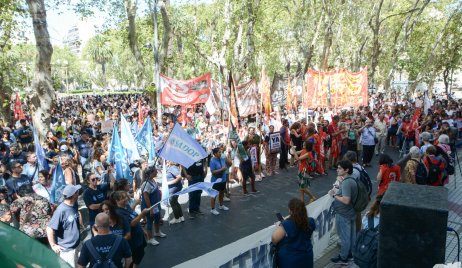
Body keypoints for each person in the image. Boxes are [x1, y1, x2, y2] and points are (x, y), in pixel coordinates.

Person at [271, 198, 316, 268]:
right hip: (307, 257)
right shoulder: (310, 221)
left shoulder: (286, 225)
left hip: (291, 260)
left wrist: (279, 226)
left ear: (290, 211)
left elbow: (274, 239)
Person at [329, 160, 357, 264]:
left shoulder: (346, 182)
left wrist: (334, 195)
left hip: (344, 213)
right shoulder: (352, 178)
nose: (337, 170)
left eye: (340, 168)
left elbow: (346, 200)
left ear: (346, 170)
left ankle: (343, 257)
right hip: (351, 212)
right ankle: (351, 253)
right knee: (351, 235)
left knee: (344, 236)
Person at [112, 191, 149, 268]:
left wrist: (142, 230)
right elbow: (131, 223)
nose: (126, 199)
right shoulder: (119, 212)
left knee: (140, 254)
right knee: (132, 258)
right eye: (123, 198)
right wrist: (142, 214)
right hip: (132, 241)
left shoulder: (126, 206)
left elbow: (132, 215)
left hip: (138, 236)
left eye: (126, 197)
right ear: (117, 201)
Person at [47, 184, 81, 267]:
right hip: (67, 250)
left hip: (77, 245)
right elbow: (49, 229)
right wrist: (53, 245)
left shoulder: (74, 205)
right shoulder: (61, 211)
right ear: (73, 195)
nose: (79, 193)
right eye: (77, 192)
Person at [140, 167, 166, 246]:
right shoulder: (146, 184)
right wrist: (150, 209)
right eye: (155, 171)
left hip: (156, 205)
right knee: (150, 221)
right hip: (150, 206)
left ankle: (157, 232)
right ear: (151, 173)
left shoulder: (153, 180)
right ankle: (150, 238)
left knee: (157, 218)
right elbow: (146, 197)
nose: (157, 172)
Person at [209, 147, 231, 215]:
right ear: (215, 154)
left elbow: (230, 164)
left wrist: (228, 159)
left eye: (220, 152)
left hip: (223, 179)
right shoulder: (212, 161)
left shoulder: (222, 159)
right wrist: (221, 169)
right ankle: (212, 209)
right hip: (215, 180)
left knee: (221, 193)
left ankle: (221, 205)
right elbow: (213, 172)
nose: (220, 153)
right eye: (219, 152)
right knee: (214, 195)